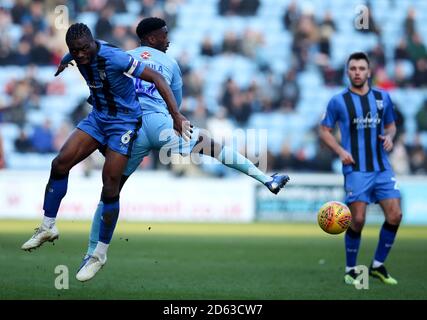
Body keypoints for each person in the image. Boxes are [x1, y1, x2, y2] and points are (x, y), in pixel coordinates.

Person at [55, 17, 290, 282]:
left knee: (111, 192)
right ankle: (266, 179)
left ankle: (94, 254)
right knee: (211, 146)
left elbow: (94, 62)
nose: (168, 39)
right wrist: (175, 118)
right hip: (161, 126)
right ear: (153, 38)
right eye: (164, 35)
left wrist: (67, 58)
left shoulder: (122, 55)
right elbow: (174, 101)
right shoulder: (171, 64)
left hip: (128, 128)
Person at [20, 23, 190, 278]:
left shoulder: (114, 57)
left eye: (84, 50)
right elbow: (75, 52)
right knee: (60, 164)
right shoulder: (79, 52)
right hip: (98, 117)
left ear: (92, 44)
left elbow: (156, 78)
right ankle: (48, 226)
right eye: (75, 51)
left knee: (110, 184)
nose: (81, 56)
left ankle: (99, 254)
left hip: (124, 121)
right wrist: (67, 60)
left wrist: (175, 115)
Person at [319, 52, 402, 286]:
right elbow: (324, 130)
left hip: (382, 167)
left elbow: (391, 125)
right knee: (357, 219)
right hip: (356, 168)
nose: (357, 72)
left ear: (369, 72)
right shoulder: (338, 101)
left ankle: (377, 266)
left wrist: (390, 137)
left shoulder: (382, 97)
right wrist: (340, 151)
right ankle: (351, 269)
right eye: (353, 68)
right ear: (348, 72)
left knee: (395, 215)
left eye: (361, 68)